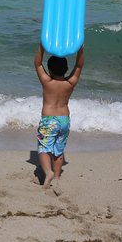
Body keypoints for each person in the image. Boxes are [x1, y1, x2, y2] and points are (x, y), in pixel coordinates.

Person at [33, 42, 84, 189]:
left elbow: (37, 64)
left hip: (49, 120)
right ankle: (56, 176)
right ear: (67, 69)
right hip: (64, 121)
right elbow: (79, 66)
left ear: (49, 69)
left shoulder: (47, 82)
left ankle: (48, 172)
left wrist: (41, 48)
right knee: (58, 150)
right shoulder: (70, 83)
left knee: (44, 148)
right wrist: (80, 53)